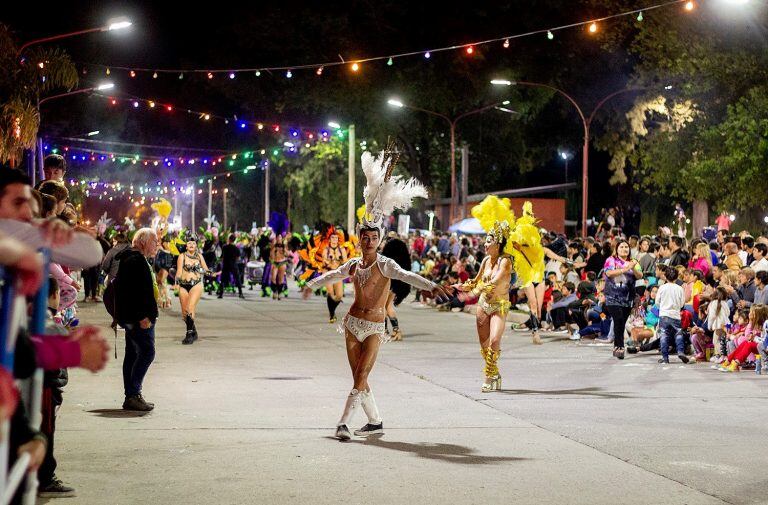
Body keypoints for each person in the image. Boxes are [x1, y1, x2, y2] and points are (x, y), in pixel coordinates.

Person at [302, 148, 449, 441]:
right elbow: (333, 275)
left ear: (380, 240)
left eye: (374, 238)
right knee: (360, 376)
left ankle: (343, 423)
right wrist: (312, 284)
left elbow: (408, 276)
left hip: (374, 327)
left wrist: (431, 285)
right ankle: (376, 420)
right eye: (365, 238)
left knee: (361, 376)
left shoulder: (386, 265)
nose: (369, 242)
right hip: (352, 324)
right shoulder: (354, 264)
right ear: (359, 240)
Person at [462, 196, 544, 391]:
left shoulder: (505, 262)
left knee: (495, 341)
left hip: (499, 305)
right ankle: (494, 373)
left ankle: (489, 378)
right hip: (483, 305)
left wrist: (477, 288)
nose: (484, 244)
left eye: (488, 241)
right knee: (484, 346)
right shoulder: (484, 261)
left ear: (498, 243)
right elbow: (477, 280)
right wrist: (465, 285)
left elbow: (496, 280)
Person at [114, 228, 159, 411]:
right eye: (154, 241)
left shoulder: (132, 258)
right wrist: (144, 316)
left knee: (133, 354)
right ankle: (133, 393)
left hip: (132, 317)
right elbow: (135, 292)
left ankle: (132, 396)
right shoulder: (135, 260)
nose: (157, 244)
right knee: (147, 352)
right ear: (142, 242)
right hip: (138, 318)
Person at [603, 239, 643, 359]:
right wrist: (625, 269)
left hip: (628, 297)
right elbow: (609, 273)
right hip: (612, 296)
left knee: (621, 322)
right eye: (621, 247)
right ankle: (619, 346)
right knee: (618, 319)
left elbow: (640, 275)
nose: (624, 249)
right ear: (616, 249)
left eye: (626, 247)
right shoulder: (611, 260)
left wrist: (633, 267)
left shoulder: (633, 261)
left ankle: (617, 346)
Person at [176, 235, 211, 344]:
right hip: (183, 285)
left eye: (194, 243)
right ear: (186, 246)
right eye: (189, 243)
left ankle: (189, 334)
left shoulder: (200, 256)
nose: (191, 245)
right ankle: (194, 330)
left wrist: (202, 270)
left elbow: (206, 270)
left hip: (196, 284)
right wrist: (177, 282)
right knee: (184, 313)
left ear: (196, 246)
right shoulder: (182, 256)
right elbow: (179, 272)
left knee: (190, 308)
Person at [656, 266, 688, 364]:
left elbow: (657, 302)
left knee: (664, 336)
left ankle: (665, 357)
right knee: (678, 334)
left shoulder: (662, 287)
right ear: (676, 277)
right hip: (675, 315)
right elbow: (682, 303)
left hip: (664, 315)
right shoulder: (679, 289)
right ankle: (680, 351)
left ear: (665, 276)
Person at [320, 228, 348, 323]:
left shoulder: (342, 249)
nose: (334, 240)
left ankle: (332, 310)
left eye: (336, 238)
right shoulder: (326, 250)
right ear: (330, 239)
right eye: (333, 238)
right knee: (331, 294)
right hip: (328, 273)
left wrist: (339, 261)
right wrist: (329, 261)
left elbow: (345, 262)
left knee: (339, 296)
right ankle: (332, 314)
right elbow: (324, 262)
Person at [218, 233, 244, 299]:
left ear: (229, 239)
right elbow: (238, 257)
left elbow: (222, 257)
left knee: (223, 279)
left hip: (226, 265)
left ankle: (221, 294)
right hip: (233, 265)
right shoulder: (236, 248)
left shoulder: (224, 247)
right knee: (237, 279)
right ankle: (240, 293)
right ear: (234, 240)